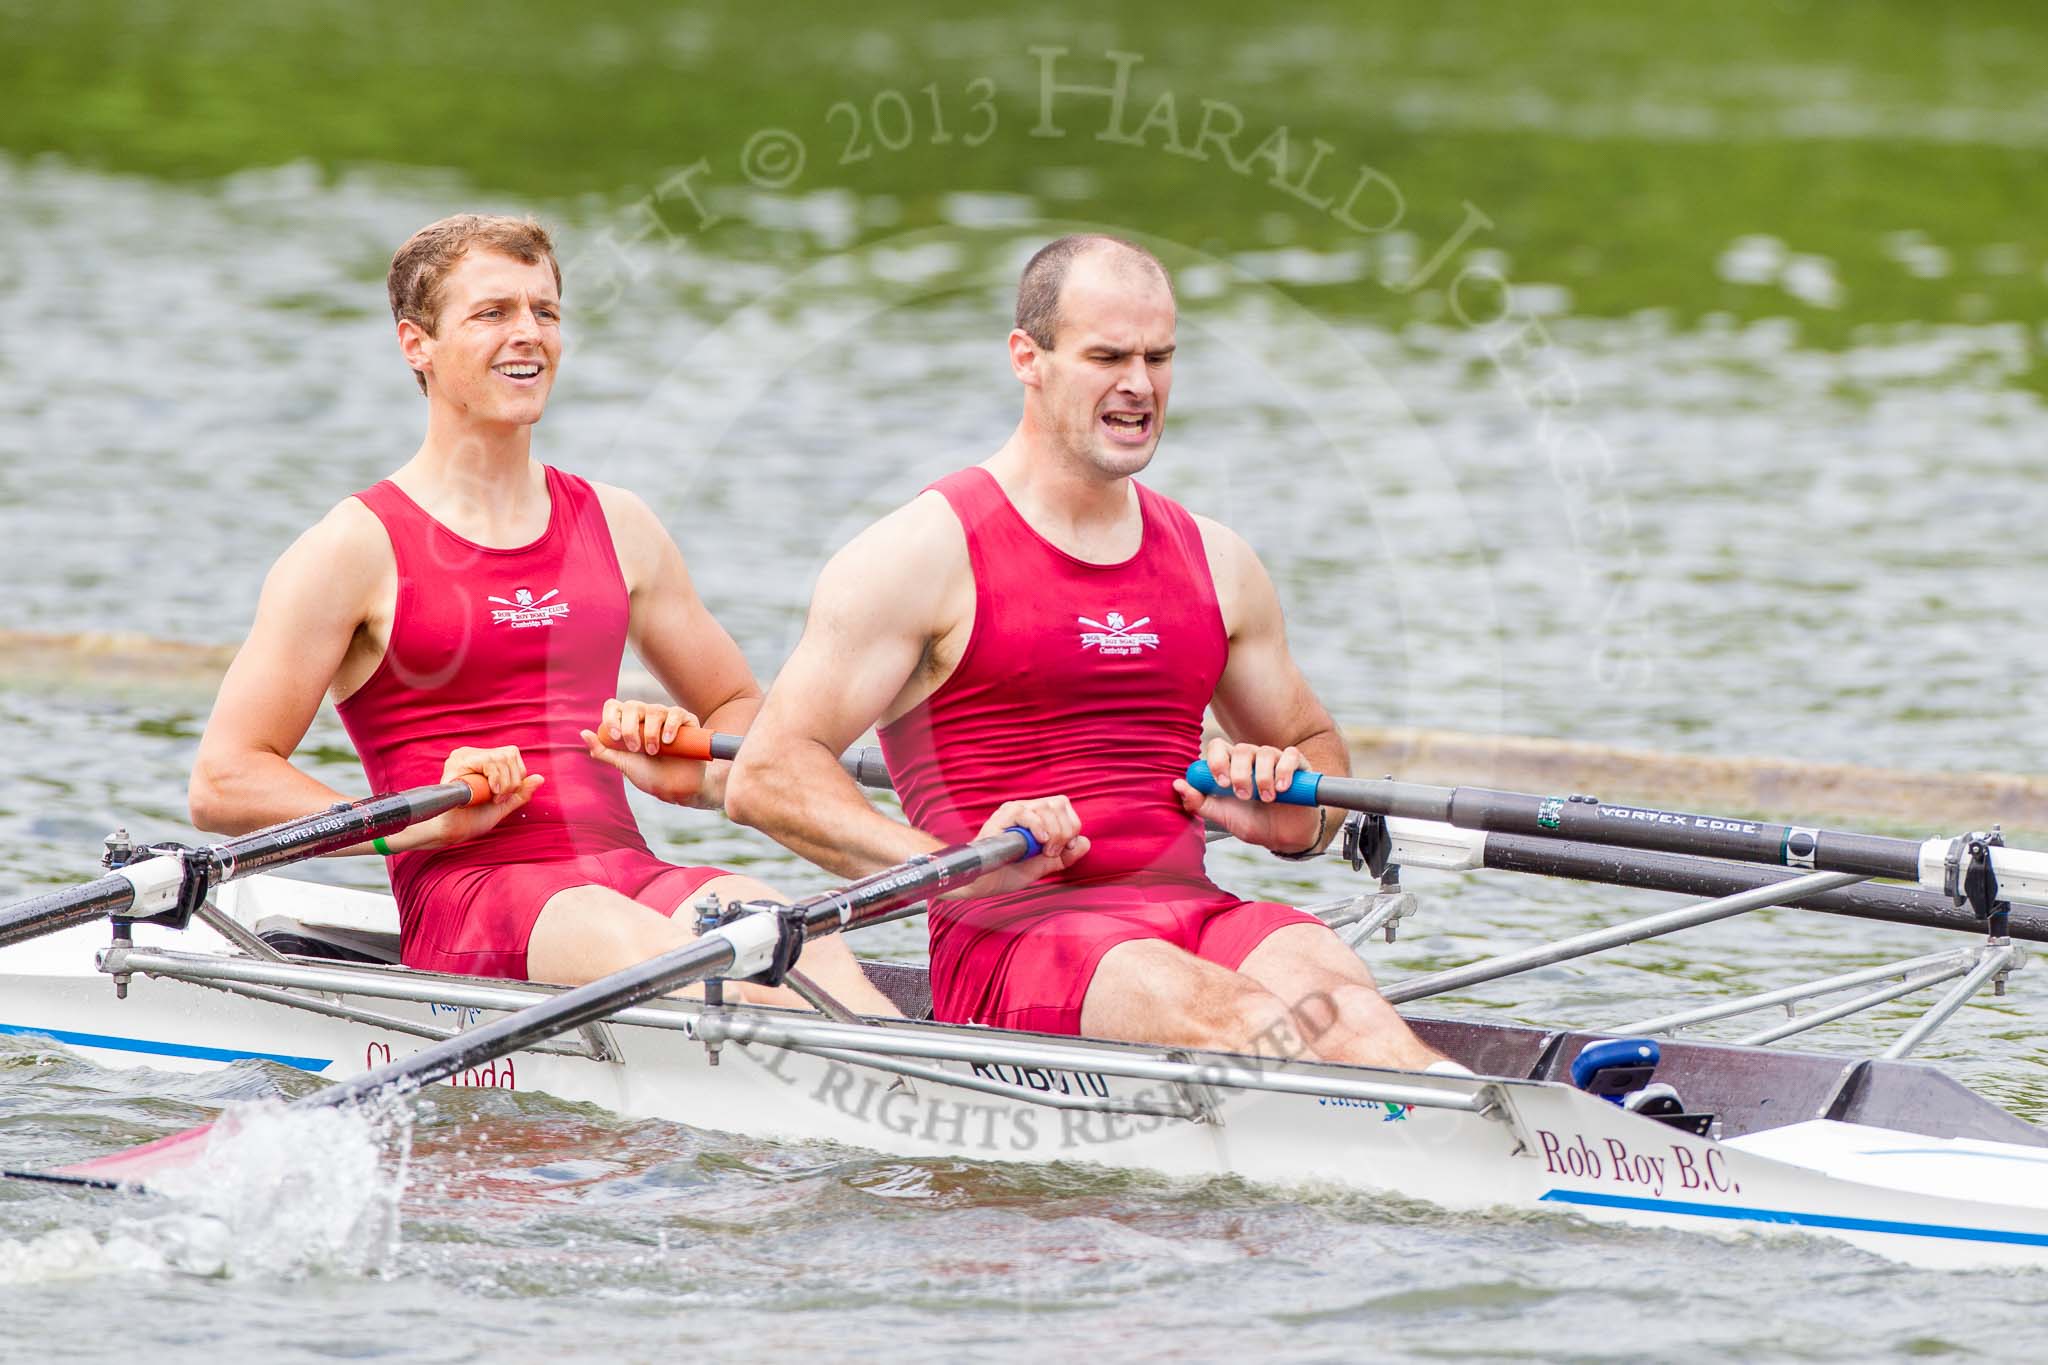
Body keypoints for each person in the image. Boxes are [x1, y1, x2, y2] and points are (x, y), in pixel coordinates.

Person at [725, 234, 1449, 1069]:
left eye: (1159, 356)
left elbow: (1319, 769)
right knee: (1246, 1018)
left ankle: (1522, 1169)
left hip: (1197, 911)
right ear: (1027, 358)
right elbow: (767, 775)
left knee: (1350, 1006)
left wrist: (1287, 814)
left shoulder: (1219, 561)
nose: (1139, 385)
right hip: (1016, 937)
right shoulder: (918, 555)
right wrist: (947, 864)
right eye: (1107, 356)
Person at [187, 212, 894, 1013]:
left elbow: (744, 718)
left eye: (545, 312)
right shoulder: (351, 549)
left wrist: (692, 769)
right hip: (473, 898)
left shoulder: (620, 524)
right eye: (492, 313)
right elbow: (224, 778)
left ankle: (922, 1116)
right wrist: (404, 824)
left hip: (628, 872)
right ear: (415, 344)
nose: (528, 334)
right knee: (656, 949)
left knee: (802, 937)